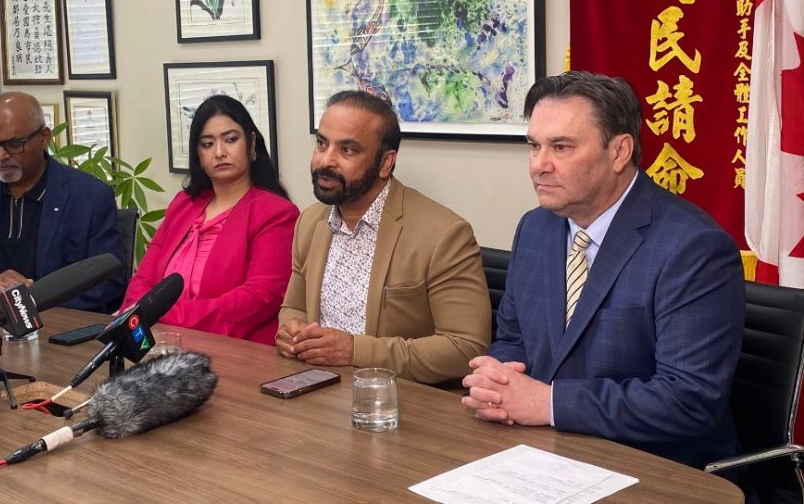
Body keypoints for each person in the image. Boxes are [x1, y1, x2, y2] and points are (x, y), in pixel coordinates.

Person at [462, 71, 745, 471]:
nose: (539, 165)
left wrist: (547, 403)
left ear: (619, 152)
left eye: (561, 147)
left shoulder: (693, 247)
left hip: (655, 470)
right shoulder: (536, 227)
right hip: (542, 455)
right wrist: (500, 380)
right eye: (534, 146)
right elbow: (514, 338)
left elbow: (688, 399)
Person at [276, 91, 491, 384]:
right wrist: (291, 330)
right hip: (316, 392)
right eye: (322, 144)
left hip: (402, 407)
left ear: (385, 163)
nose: (326, 161)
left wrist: (355, 351)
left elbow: (465, 348)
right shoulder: (310, 222)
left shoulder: (444, 235)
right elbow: (295, 306)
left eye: (347, 150)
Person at [122, 95, 299, 344]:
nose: (219, 152)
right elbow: (144, 277)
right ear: (197, 154)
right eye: (207, 144)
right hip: (160, 343)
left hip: (235, 352)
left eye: (231, 139)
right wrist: (137, 315)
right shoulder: (183, 204)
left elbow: (258, 299)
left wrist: (158, 315)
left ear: (252, 143)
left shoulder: (277, 213)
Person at [0, 92, 125, 313]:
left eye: (14, 144)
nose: (1, 156)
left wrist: (26, 301)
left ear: (44, 138)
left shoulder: (89, 196)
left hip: (58, 329)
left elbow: (109, 284)